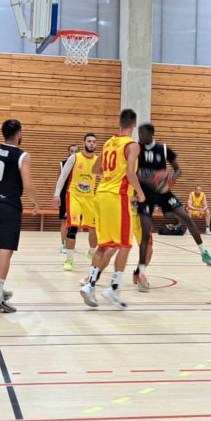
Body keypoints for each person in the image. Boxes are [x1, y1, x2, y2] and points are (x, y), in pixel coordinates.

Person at [134, 123, 211, 289]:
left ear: (151, 134)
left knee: (186, 217)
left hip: (163, 192)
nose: (140, 136)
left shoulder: (163, 149)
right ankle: (140, 274)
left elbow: (178, 170)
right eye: (139, 133)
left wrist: (171, 180)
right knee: (145, 234)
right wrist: (150, 180)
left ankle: (203, 252)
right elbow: (133, 173)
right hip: (146, 194)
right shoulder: (137, 150)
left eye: (143, 133)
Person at [79, 109, 145, 310]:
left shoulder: (108, 143)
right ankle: (114, 288)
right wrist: (141, 193)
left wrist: (110, 174)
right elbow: (130, 173)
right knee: (125, 244)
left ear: (119, 123)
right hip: (118, 197)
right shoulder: (132, 145)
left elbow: (95, 169)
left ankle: (90, 285)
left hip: (101, 195)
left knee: (104, 245)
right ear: (134, 125)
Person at [0, 119, 39, 313]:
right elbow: (27, 184)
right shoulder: (22, 155)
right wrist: (35, 202)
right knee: (6, 250)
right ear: (19, 134)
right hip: (9, 206)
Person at [53, 133, 98, 271]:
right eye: (89, 141)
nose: (91, 143)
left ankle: (92, 252)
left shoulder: (98, 160)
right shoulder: (74, 158)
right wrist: (56, 194)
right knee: (73, 229)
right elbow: (62, 176)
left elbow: (104, 178)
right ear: (84, 143)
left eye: (94, 142)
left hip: (90, 198)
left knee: (94, 230)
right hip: (74, 196)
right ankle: (69, 260)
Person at [58, 144, 79, 253]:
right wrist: (57, 195)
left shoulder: (81, 164)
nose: (73, 153)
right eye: (71, 151)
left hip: (78, 196)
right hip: (65, 196)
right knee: (65, 221)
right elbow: (59, 181)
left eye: (76, 151)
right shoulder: (62, 164)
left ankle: (70, 243)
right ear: (68, 152)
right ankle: (63, 244)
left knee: (75, 222)